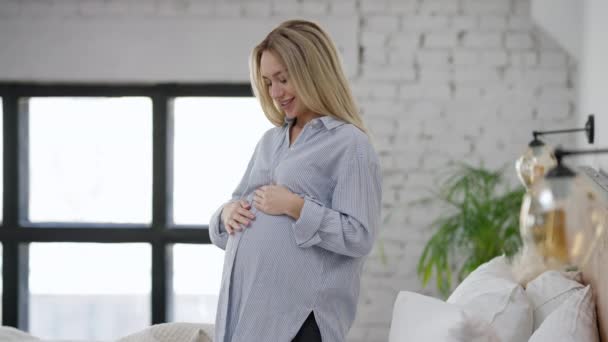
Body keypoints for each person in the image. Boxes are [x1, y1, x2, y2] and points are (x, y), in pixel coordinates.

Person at [208, 19, 382, 342]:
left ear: (312, 72)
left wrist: (297, 206)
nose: (275, 93)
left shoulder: (349, 144)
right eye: (267, 82)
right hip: (248, 315)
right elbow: (230, 226)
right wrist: (225, 214)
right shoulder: (269, 142)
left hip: (300, 321)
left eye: (283, 79)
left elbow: (360, 236)